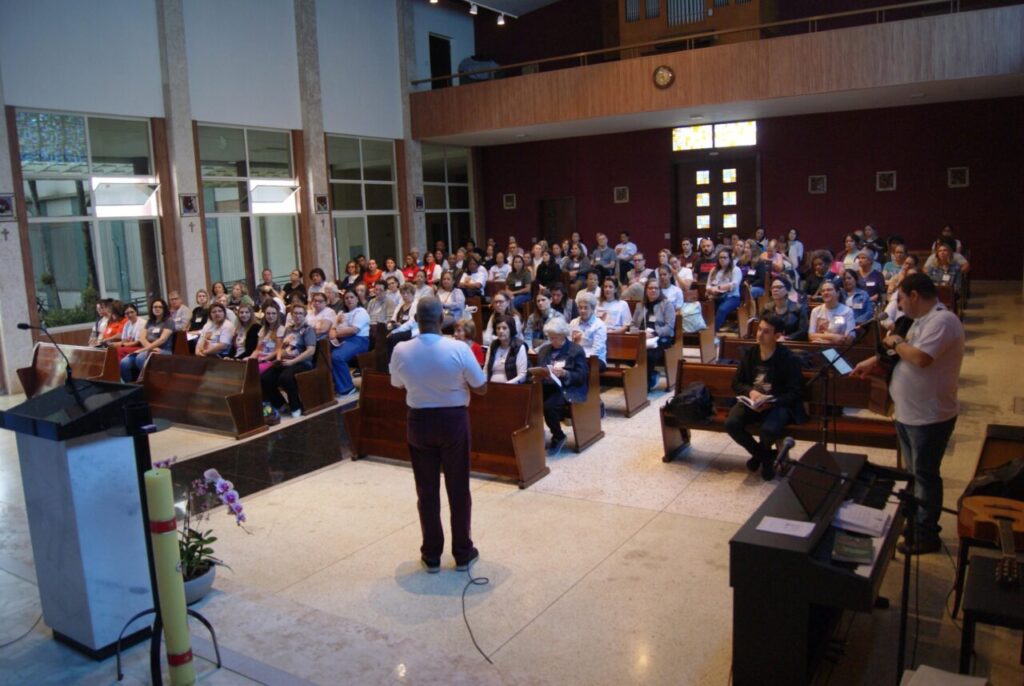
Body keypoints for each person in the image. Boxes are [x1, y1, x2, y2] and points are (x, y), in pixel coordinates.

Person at [852, 274, 964, 555]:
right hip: (909, 412)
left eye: (900, 298)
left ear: (914, 295)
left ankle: (927, 534)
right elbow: (905, 352)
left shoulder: (943, 321)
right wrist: (873, 360)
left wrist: (894, 342)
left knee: (925, 475)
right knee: (913, 474)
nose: (899, 305)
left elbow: (921, 358)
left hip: (930, 415)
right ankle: (914, 521)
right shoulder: (921, 320)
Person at [389, 296, 487, 573]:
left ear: (417, 320)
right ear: (441, 319)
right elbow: (481, 387)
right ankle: (463, 552)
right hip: (453, 420)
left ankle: (431, 555)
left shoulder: (401, 349)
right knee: (458, 488)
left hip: (419, 421)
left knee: (426, 490)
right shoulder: (457, 348)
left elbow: (397, 383)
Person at [725, 316, 808, 481]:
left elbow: (796, 392)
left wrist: (772, 401)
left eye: (766, 331)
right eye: (759, 329)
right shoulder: (751, 354)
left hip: (778, 404)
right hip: (753, 402)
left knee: (768, 430)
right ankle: (766, 457)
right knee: (731, 424)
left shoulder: (789, 359)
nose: (760, 334)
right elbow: (737, 383)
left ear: (777, 336)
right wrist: (751, 393)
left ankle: (761, 459)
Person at [533, 317, 589, 454]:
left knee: (549, 407)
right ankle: (532, 438)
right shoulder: (544, 350)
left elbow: (582, 376)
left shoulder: (576, 350)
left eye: (554, 338)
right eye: (550, 337)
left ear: (563, 335)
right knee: (528, 402)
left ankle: (558, 436)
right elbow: (541, 367)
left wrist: (565, 373)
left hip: (566, 388)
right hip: (546, 386)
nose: (551, 341)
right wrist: (539, 374)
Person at [262, 302, 317, 417]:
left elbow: (310, 351)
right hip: (287, 360)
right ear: (291, 315)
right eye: (295, 313)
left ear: (305, 315)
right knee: (265, 377)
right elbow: (282, 347)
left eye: (300, 313)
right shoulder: (289, 329)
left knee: (285, 377)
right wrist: (278, 359)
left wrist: (293, 361)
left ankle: (296, 406)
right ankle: (281, 404)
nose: (297, 316)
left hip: (302, 362)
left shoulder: (308, 330)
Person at [631, 279, 676, 390]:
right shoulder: (640, 305)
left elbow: (669, 328)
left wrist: (655, 333)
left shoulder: (667, 304)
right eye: (650, 288)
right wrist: (639, 333)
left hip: (660, 337)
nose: (653, 290)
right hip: (641, 337)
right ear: (646, 290)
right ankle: (642, 378)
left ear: (660, 290)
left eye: (656, 288)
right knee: (628, 352)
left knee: (649, 355)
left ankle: (644, 384)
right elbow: (633, 324)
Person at [120, 299, 175, 382]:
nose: (157, 309)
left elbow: (162, 339)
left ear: (164, 309)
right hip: (149, 349)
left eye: (160, 307)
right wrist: (149, 348)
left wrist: (146, 349)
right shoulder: (150, 321)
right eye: (155, 307)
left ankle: (149, 384)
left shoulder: (169, 321)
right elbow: (142, 338)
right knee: (124, 363)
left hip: (163, 350)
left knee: (140, 358)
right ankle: (132, 386)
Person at [330, 290, 371, 397]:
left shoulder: (361, 312)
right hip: (343, 340)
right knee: (323, 353)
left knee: (337, 356)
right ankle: (334, 385)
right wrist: (334, 332)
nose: (349, 300)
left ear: (357, 299)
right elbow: (332, 328)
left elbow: (354, 330)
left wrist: (336, 333)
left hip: (359, 340)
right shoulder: (341, 313)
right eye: (346, 298)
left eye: (352, 297)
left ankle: (348, 388)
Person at [569, 291, 607, 371]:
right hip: (576, 357)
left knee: (578, 367)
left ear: (592, 309)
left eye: (586, 308)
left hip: (595, 360)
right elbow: (568, 343)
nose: (582, 311)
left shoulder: (599, 325)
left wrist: (581, 358)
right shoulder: (573, 322)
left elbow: (597, 349)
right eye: (580, 307)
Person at [760, 277, 808, 341]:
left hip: (792, 344)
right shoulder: (766, 308)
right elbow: (760, 327)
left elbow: (803, 331)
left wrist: (786, 338)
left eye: (779, 287)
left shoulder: (799, 308)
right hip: (770, 342)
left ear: (787, 290)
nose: (775, 290)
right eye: (773, 287)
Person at [706, 248, 742, 332]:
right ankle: (704, 330)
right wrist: (711, 290)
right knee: (706, 308)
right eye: (720, 257)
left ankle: (712, 332)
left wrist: (719, 288)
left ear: (730, 259)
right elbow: (708, 285)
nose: (722, 260)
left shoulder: (736, 270)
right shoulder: (714, 270)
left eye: (725, 257)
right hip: (716, 296)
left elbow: (734, 284)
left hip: (732, 297)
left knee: (722, 309)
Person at [483, 317, 528, 383]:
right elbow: (486, 370)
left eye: (504, 328)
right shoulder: (493, 346)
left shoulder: (519, 347)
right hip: (491, 386)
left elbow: (522, 375)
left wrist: (506, 386)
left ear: (511, 329)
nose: (501, 331)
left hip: (510, 387)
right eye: (498, 328)